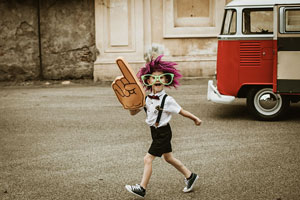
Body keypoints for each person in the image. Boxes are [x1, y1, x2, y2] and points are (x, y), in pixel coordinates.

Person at [125, 55, 202, 198]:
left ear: (167, 80)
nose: (158, 80)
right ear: (148, 80)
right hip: (154, 132)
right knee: (168, 158)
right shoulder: (147, 98)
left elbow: (182, 111)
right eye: (154, 77)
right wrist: (130, 105)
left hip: (163, 133)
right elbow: (133, 112)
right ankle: (190, 176)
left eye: (161, 77)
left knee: (148, 159)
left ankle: (142, 188)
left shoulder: (168, 100)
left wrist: (195, 118)